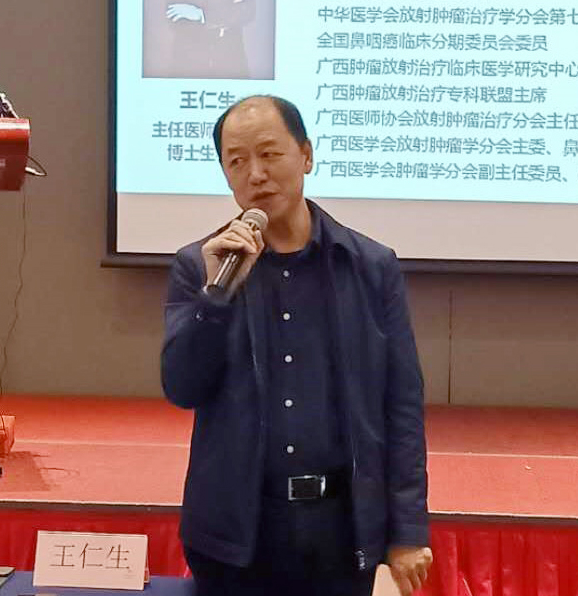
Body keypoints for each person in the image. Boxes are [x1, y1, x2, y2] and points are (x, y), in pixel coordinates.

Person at [161, 95, 432, 596]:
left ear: (306, 155)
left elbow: (402, 404)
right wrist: (215, 299)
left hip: (340, 531)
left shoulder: (369, 267)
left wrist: (408, 529)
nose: (256, 174)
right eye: (237, 161)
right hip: (236, 537)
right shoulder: (201, 266)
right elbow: (182, 387)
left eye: (269, 154)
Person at [163, 1, 255, 79]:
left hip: (229, 59)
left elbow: (245, 11)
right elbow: (174, 14)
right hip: (188, 61)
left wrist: (201, 14)